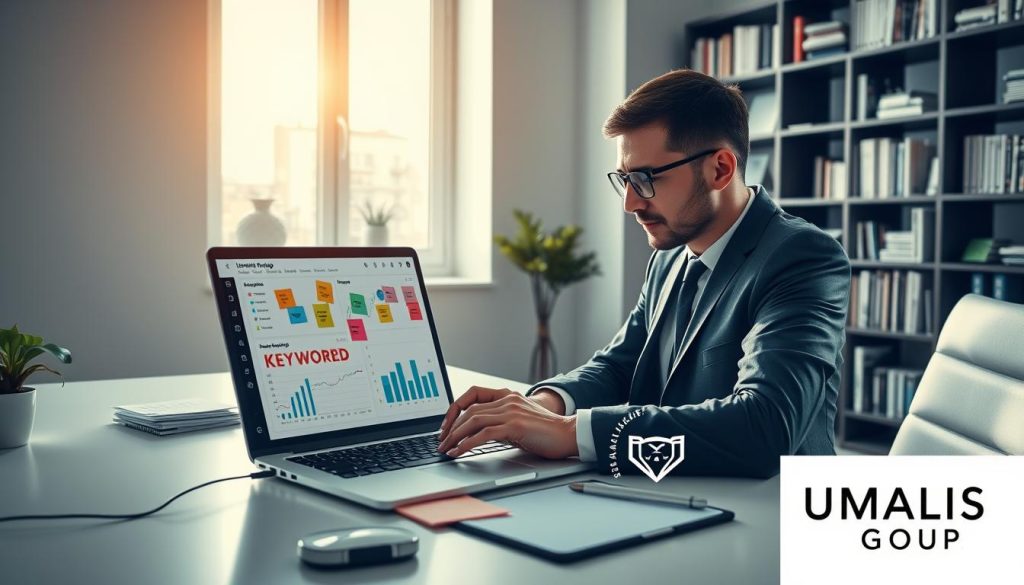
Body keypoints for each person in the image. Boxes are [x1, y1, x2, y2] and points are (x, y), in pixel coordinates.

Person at [436, 69, 851, 478]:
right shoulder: (671, 257)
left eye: (646, 179)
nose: (631, 203)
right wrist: (543, 407)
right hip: (674, 488)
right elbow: (621, 365)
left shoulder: (803, 257)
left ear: (720, 169)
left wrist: (568, 432)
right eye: (624, 179)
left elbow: (765, 425)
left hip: (774, 507)